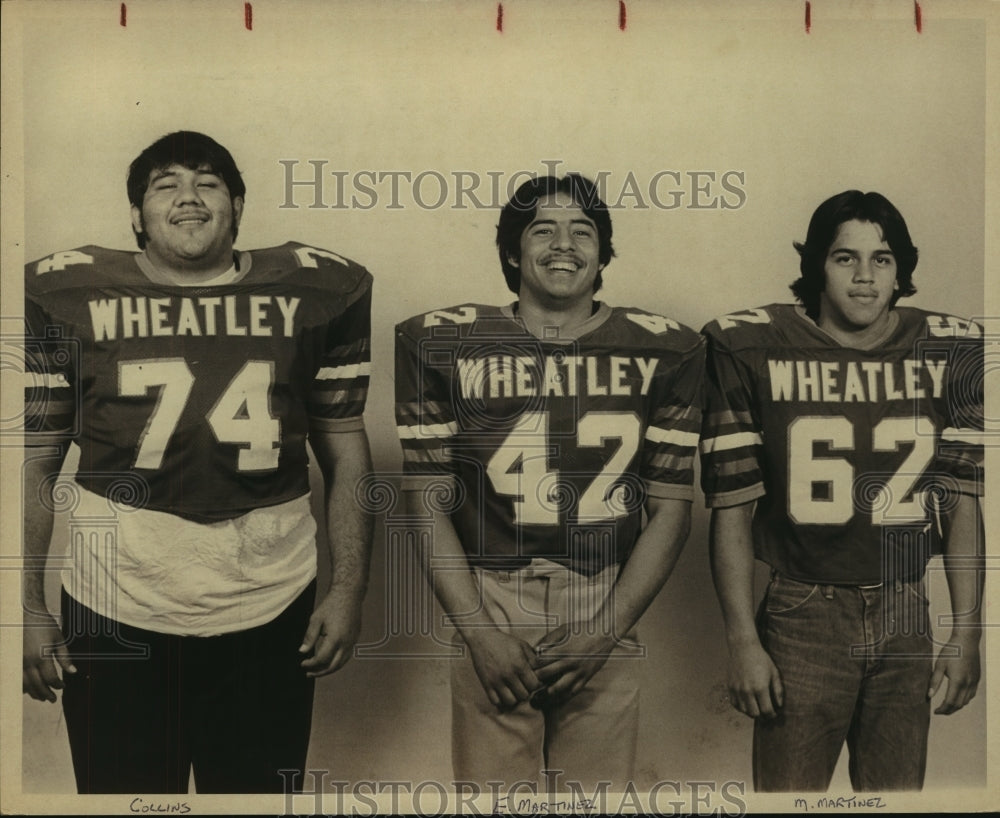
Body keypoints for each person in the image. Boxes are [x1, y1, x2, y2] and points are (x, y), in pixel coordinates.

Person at [21, 131, 375, 794]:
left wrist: (348, 589)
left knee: (254, 804)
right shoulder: (65, 294)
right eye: (167, 185)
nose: (189, 197)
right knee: (123, 805)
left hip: (270, 598)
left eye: (208, 182)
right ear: (136, 215)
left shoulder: (319, 290)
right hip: (114, 600)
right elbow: (38, 463)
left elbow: (346, 448)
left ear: (237, 206)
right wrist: (27, 608)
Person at [394, 173, 704, 791]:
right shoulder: (443, 343)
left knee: (595, 802)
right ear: (512, 252)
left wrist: (604, 632)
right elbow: (426, 504)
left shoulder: (667, 350)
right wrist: (478, 631)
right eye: (543, 230)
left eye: (582, 231)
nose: (564, 244)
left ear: (603, 253)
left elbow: (671, 511)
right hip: (490, 593)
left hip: (604, 593)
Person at [701, 190, 984, 792]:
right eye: (844, 257)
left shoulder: (948, 349)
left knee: (896, 802)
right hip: (802, 611)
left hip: (907, 608)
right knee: (789, 801)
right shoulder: (750, 346)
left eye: (882, 259)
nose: (864, 276)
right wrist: (742, 639)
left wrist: (967, 632)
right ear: (817, 267)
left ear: (900, 270)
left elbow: (961, 503)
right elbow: (732, 508)